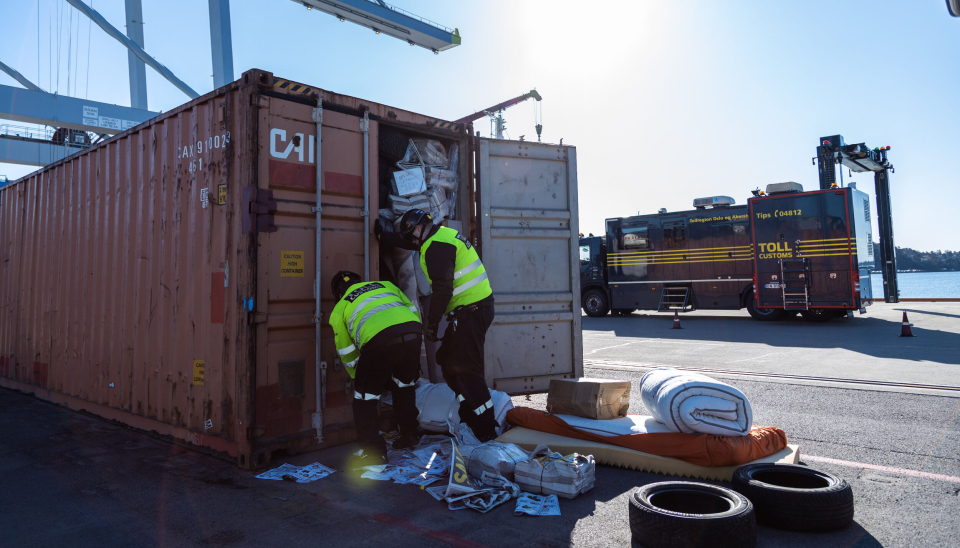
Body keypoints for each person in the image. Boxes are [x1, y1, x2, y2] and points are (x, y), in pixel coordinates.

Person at [376, 210, 498, 442]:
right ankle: (469, 413)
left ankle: (487, 429)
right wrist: (385, 237)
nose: (411, 241)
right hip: (469, 311)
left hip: (472, 312)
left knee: (467, 369)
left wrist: (431, 325)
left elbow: (442, 289)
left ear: (421, 227)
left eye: (412, 235)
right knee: (448, 363)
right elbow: (408, 241)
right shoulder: (438, 236)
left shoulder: (436, 247)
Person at [328, 271, 424, 468]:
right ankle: (410, 434)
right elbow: (413, 310)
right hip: (412, 332)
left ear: (338, 293)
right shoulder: (386, 285)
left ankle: (373, 453)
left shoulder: (340, 308)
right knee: (404, 384)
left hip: (379, 341)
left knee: (365, 399)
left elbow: (346, 351)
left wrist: (360, 380)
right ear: (359, 282)